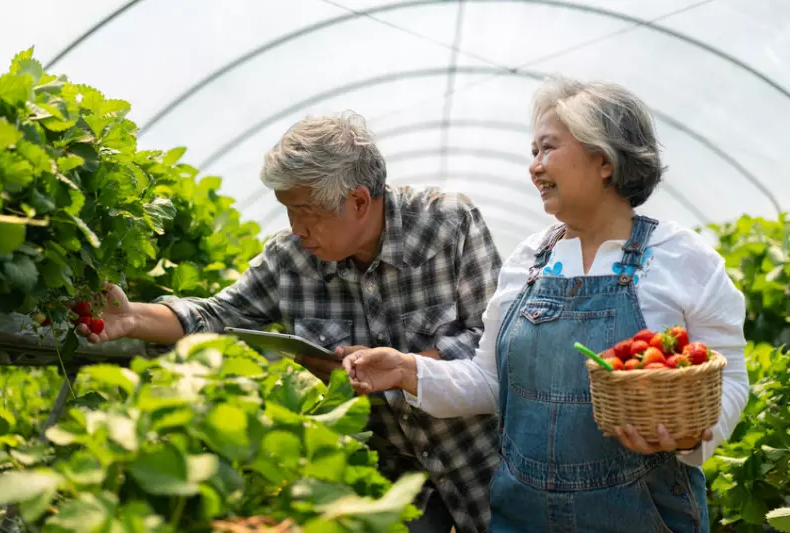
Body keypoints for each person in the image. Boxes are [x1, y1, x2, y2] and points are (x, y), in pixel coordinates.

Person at [342, 78, 750, 533]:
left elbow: (728, 374)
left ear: (603, 158)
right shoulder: (528, 261)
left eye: (546, 149)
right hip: (524, 515)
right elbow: (490, 380)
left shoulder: (681, 258)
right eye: (532, 152)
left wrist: (693, 437)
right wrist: (406, 370)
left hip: (643, 513)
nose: (533, 167)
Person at [78, 111, 503, 533]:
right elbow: (218, 315)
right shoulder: (289, 260)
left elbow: (495, 344)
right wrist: (132, 316)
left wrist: (402, 369)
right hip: (391, 483)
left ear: (357, 201)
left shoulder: (448, 225)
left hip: (479, 461)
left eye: (307, 211)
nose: (297, 229)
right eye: (288, 212)